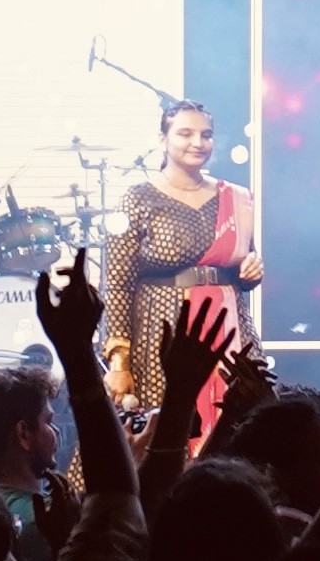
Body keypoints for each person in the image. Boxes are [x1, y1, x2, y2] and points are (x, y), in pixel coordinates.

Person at [98, 97, 257, 420]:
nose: (198, 143)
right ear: (162, 139)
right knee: (169, 429)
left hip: (228, 328)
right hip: (162, 335)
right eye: (185, 134)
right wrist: (119, 363)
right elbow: (116, 285)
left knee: (241, 423)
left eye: (206, 135)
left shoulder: (235, 197)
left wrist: (250, 273)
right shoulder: (137, 199)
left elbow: (242, 263)